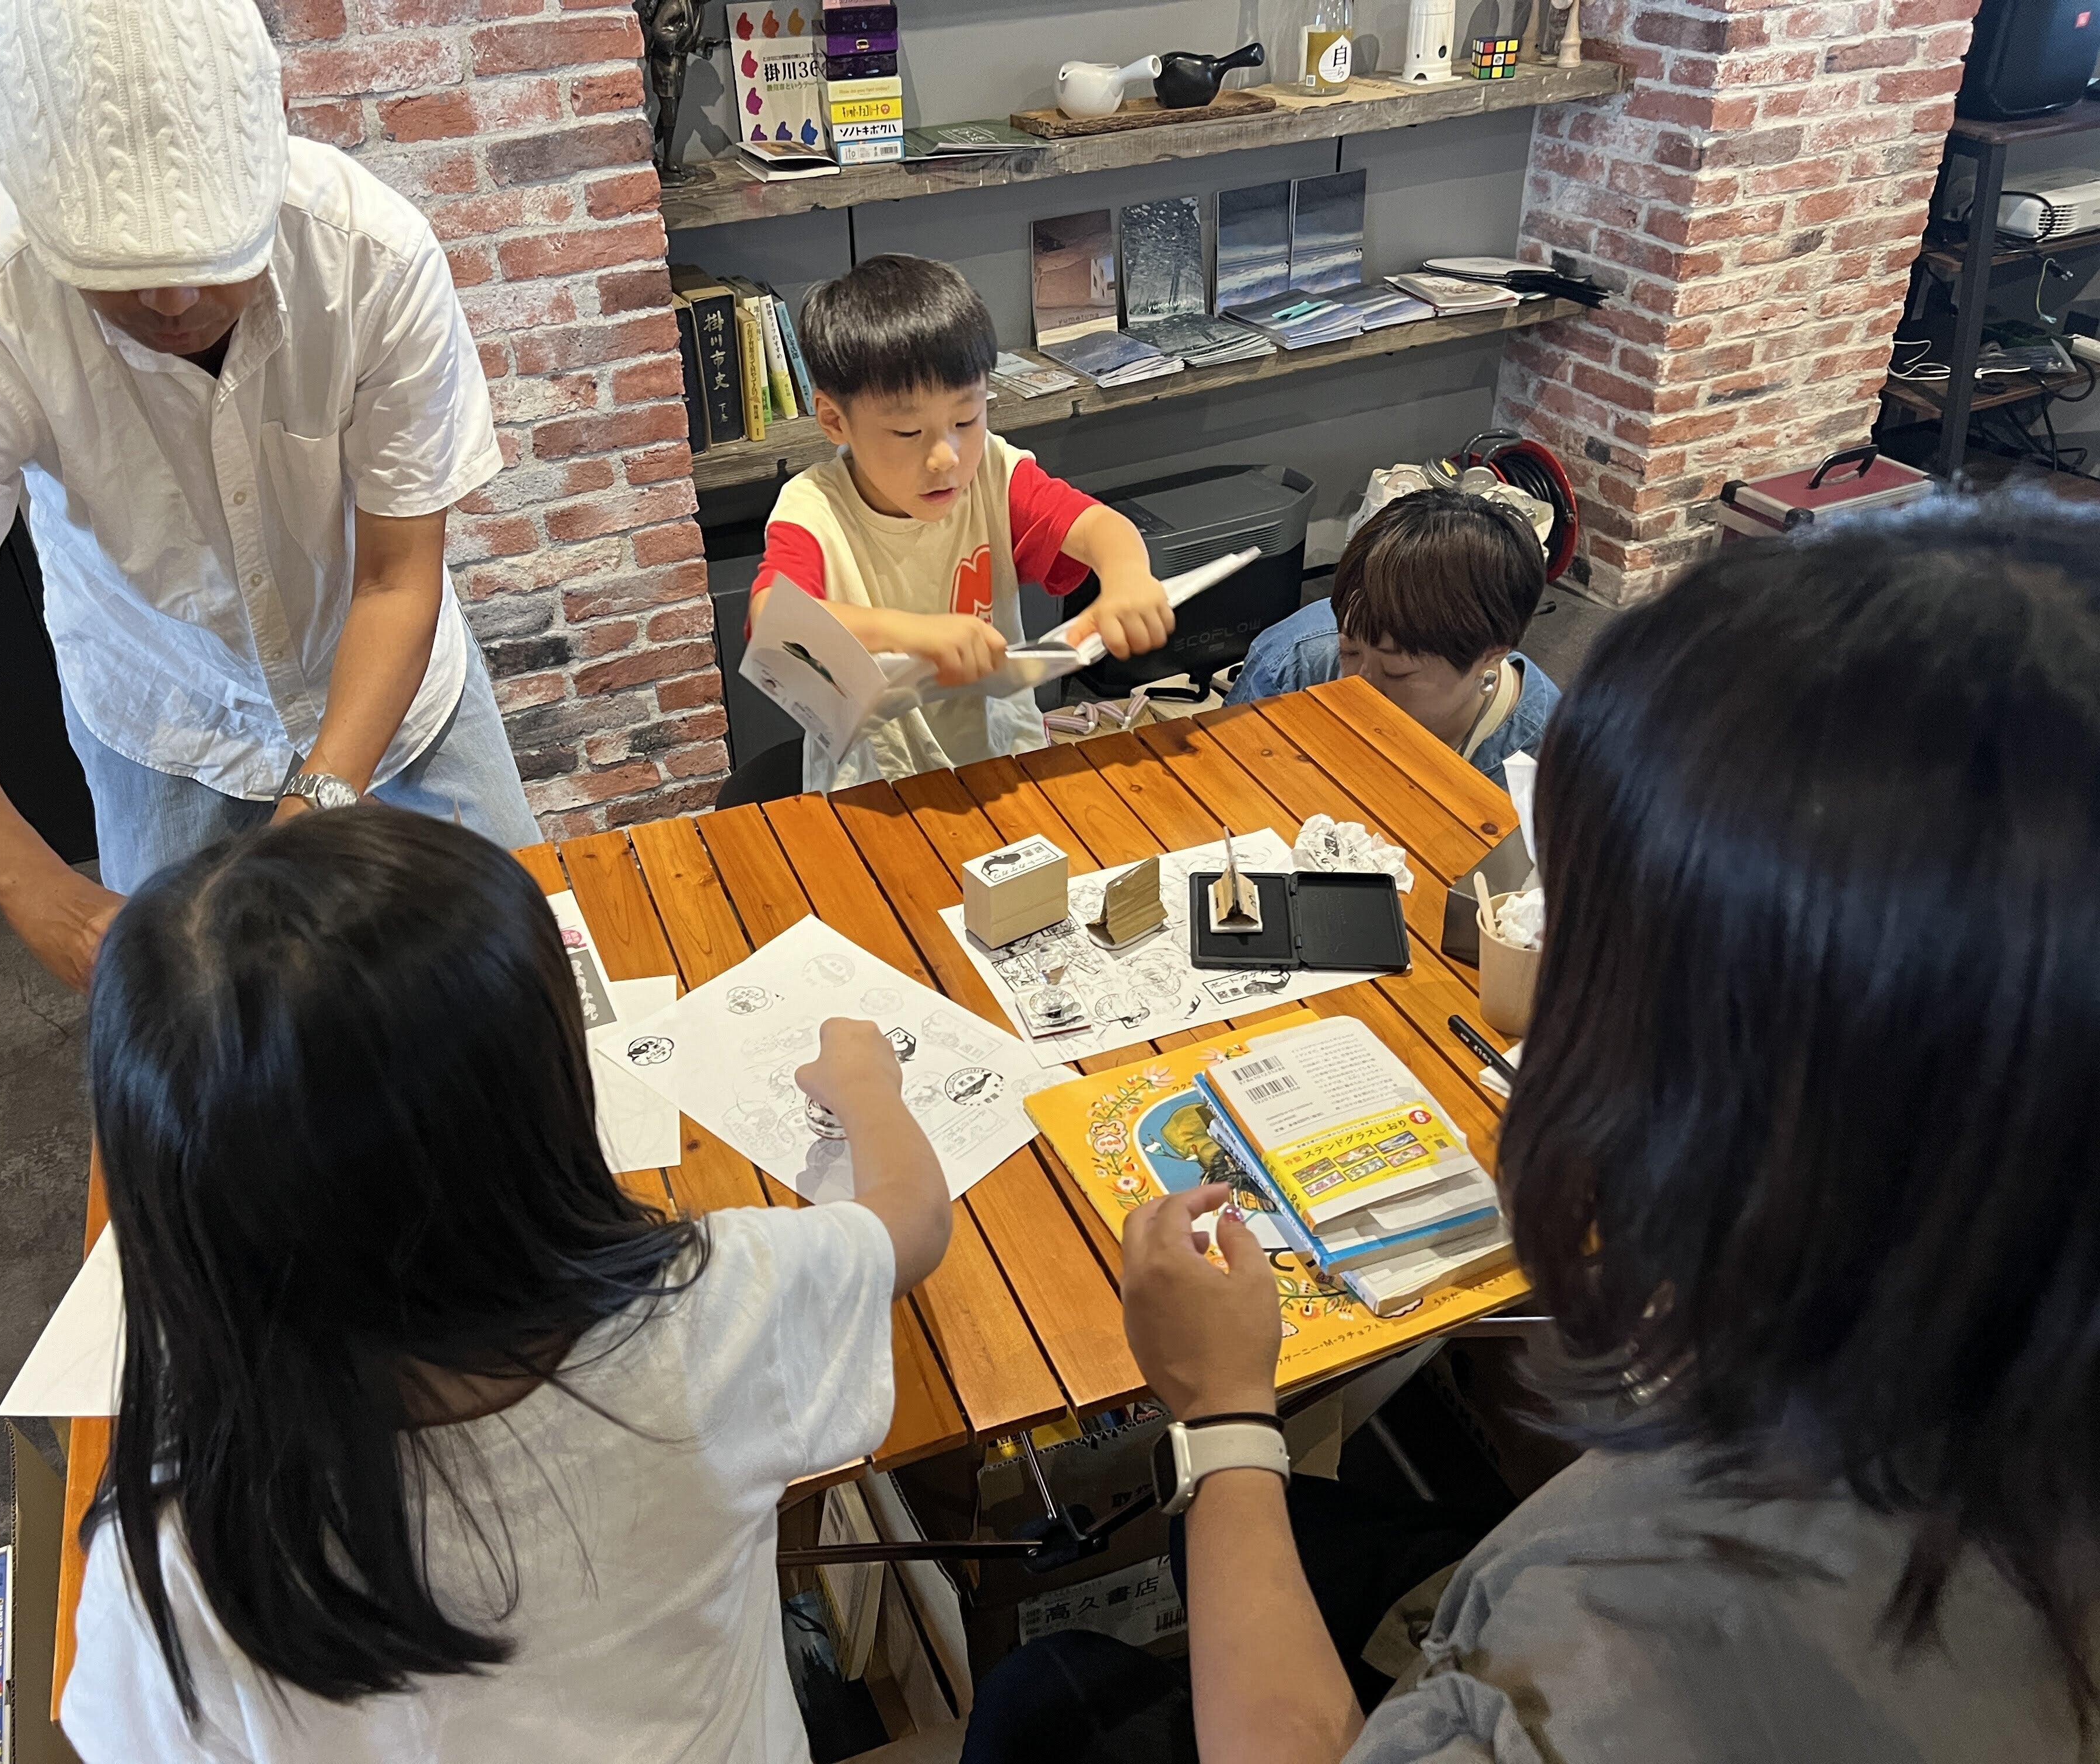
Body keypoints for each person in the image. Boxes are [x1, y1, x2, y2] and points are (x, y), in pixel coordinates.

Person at [975, 491, 2100, 1760]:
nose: (1568, 1036)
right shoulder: (1959, 1342)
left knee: (1041, 1692)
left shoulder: (1646, 1678)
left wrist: (1223, 1410)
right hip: (1526, 1574)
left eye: (1611, 969)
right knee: (1256, 1535)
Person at [58, 808, 953, 1762]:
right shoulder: (709, 1312)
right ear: (547, 1107)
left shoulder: (175, 1553)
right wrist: (866, 1085)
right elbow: (914, 1222)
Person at [0, 0, 541, 996]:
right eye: (119, 273)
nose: (172, 304)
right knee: (205, 1036)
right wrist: (40, 892)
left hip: (390, 678)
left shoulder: (369, 254)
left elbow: (395, 578)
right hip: (162, 709)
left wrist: (318, 802)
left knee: (517, 979)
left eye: (212, 259)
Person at [748, 254, 1176, 790]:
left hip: (1001, 757)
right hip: (872, 780)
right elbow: (775, 619)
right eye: (908, 433)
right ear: (836, 420)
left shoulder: (993, 473)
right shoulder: (814, 508)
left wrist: (1128, 577)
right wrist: (916, 635)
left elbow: (1096, 525)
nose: (945, 457)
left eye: (966, 419)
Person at [1225, 489, 1558, 788]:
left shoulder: (1548, 750)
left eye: (1397, 672)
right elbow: (1222, 778)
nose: (1358, 687)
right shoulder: (1292, 662)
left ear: (1490, 656)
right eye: (1349, 651)